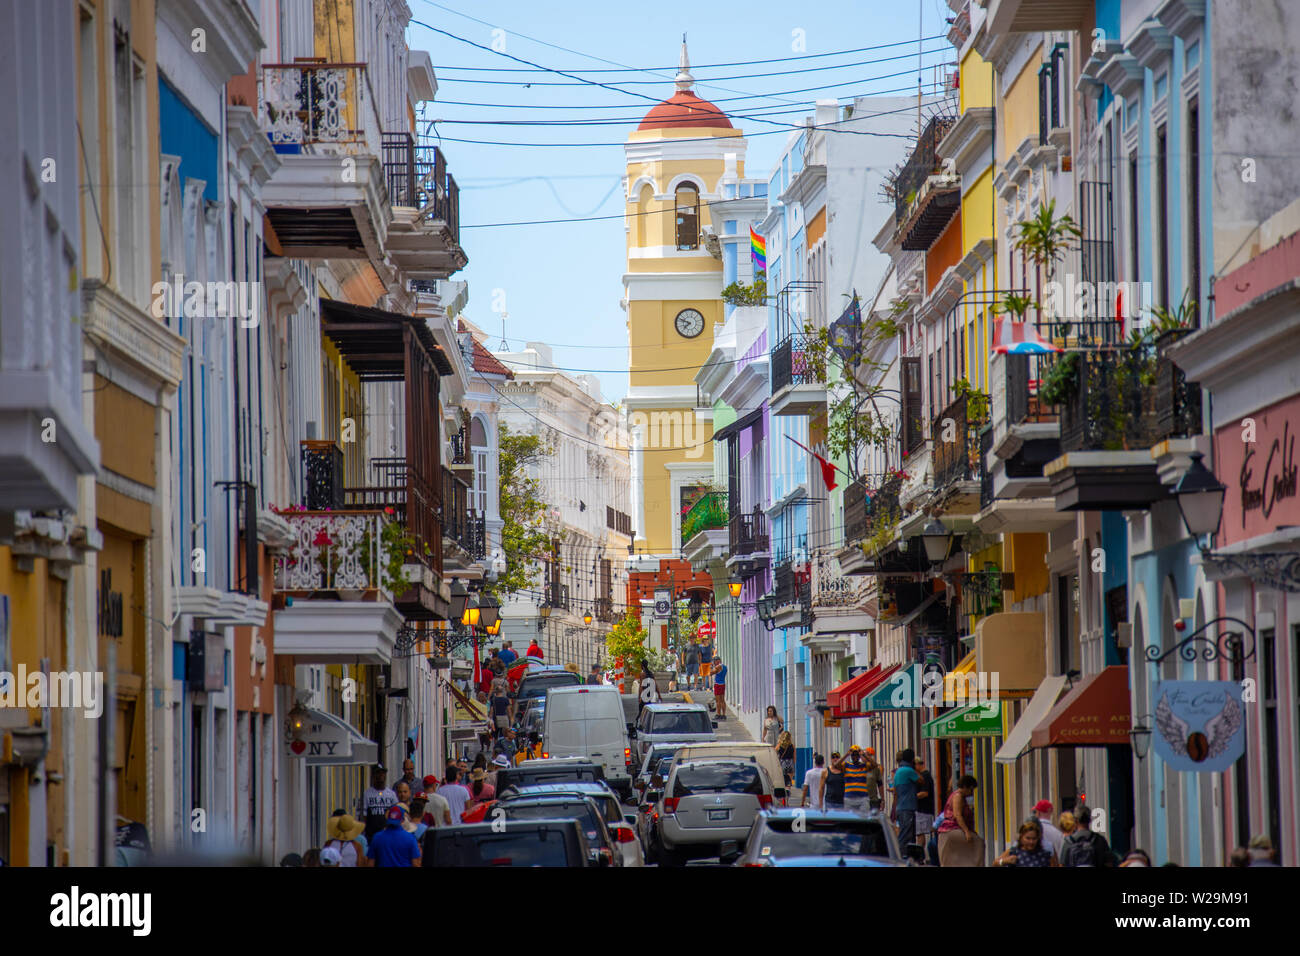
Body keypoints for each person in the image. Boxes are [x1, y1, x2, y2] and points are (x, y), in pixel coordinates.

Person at [937, 775, 982, 867]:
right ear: (965, 787)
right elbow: (958, 815)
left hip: (952, 829)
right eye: (971, 789)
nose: (972, 793)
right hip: (952, 828)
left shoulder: (959, 796)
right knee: (978, 843)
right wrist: (966, 832)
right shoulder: (958, 796)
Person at [359, 765, 397, 842]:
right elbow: (363, 816)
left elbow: (396, 813)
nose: (381, 775)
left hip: (388, 834)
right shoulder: (367, 794)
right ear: (373, 775)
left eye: (383, 773)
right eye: (378, 773)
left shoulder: (391, 794)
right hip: (371, 835)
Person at [891, 749, 920, 847]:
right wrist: (916, 768)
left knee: (906, 834)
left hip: (900, 807)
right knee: (905, 836)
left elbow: (895, 793)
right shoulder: (909, 770)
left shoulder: (898, 771)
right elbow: (921, 780)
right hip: (907, 807)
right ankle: (899, 855)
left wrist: (894, 809)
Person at [842, 746, 872, 814]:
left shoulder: (864, 766)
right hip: (849, 799)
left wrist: (864, 754)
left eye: (856, 755)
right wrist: (846, 754)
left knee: (864, 821)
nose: (855, 757)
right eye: (853, 755)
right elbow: (836, 765)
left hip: (863, 799)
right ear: (851, 756)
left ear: (859, 756)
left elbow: (874, 765)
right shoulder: (846, 765)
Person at [915, 757, 935, 846]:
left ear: (918, 764)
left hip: (923, 809)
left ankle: (919, 857)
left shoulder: (925, 776)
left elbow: (925, 793)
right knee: (920, 833)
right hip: (923, 809)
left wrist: (912, 797)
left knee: (920, 834)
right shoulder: (924, 775)